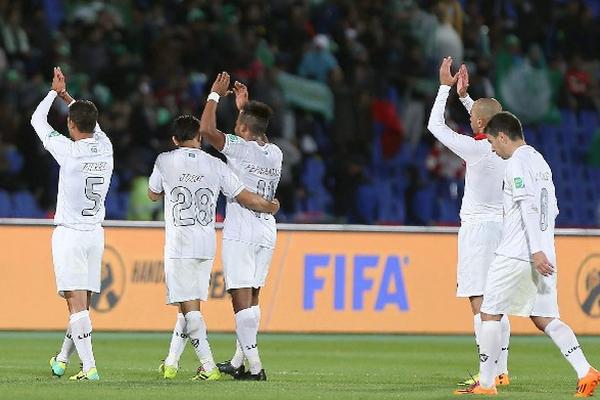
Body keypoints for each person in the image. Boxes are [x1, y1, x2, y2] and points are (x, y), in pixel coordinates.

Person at [456, 111, 600, 396]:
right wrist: (542, 247)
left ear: (502, 136)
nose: (492, 150)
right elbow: (553, 208)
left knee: (489, 311)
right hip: (546, 251)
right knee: (544, 317)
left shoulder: (516, 164)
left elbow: (527, 206)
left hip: (518, 253)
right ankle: (586, 371)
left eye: (493, 144)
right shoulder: (540, 161)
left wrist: (534, 250)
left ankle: (486, 385)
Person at [148, 114, 280, 380]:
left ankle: (208, 366)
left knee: (190, 308)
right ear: (199, 138)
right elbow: (244, 196)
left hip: (179, 243)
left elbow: (152, 194)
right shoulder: (216, 164)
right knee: (188, 306)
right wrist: (270, 206)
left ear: (175, 140)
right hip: (206, 244)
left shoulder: (164, 160)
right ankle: (171, 363)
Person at [427, 57, 510, 386]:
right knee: (498, 304)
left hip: (478, 231)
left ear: (479, 123)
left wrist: (444, 88)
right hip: (503, 227)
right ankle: (501, 370)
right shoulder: (507, 145)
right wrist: (464, 98)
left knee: (480, 303)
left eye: (473, 116)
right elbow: (485, 116)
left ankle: (486, 373)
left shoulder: (476, 149)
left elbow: (436, 127)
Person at [199, 72, 283, 381]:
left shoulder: (237, 147)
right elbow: (256, 135)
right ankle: (238, 361)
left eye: (238, 125)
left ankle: (256, 368)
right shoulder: (275, 153)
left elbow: (207, 129)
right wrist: (244, 108)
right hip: (267, 230)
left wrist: (214, 95)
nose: (234, 128)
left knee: (240, 298)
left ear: (244, 130)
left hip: (242, 230)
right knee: (254, 297)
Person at [32, 67, 113, 381]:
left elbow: (37, 121)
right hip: (95, 234)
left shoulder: (69, 150)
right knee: (83, 304)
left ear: (69, 124)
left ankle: (90, 368)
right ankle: (62, 360)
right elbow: (91, 122)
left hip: (70, 234)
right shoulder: (106, 148)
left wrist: (55, 92)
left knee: (75, 304)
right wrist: (70, 98)